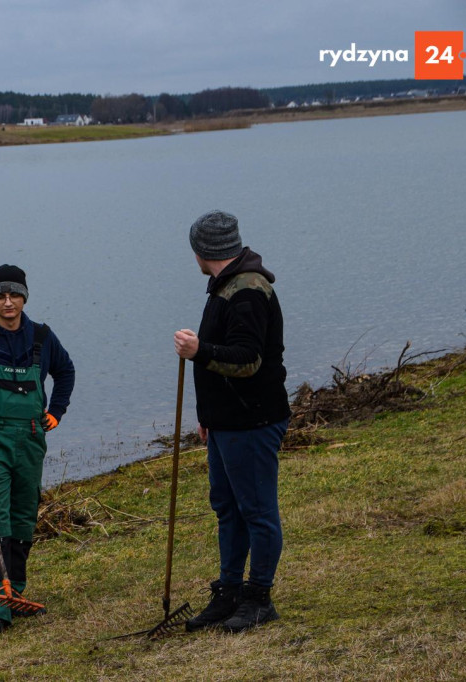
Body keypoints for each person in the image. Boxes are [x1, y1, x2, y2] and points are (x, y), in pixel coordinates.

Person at [172, 211, 290, 633]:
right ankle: (228, 593)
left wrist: (199, 350)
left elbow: (248, 361)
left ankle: (259, 599)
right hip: (226, 423)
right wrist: (208, 417)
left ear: (203, 250)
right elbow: (224, 358)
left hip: (253, 421)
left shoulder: (248, 292)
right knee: (227, 509)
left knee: (256, 511)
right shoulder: (225, 285)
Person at [0, 265, 76, 636]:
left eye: (14, 295)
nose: (8, 303)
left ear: (24, 296)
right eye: (0, 296)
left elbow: (66, 371)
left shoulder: (41, 336)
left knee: (23, 519)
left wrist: (56, 411)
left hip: (31, 438)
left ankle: (15, 594)